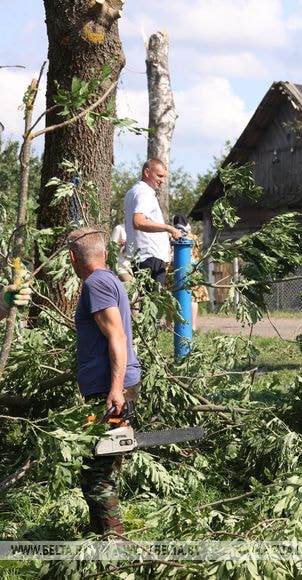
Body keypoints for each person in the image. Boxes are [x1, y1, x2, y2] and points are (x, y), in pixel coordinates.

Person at [68, 227, 141, 535]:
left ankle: (116, 546)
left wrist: (114, 388)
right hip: (112, 389)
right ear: (106, 253)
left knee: (96, 475)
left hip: (108, 393)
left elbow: (117, 336)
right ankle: (100, 539)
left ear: (73, 258)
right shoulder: (109, 279)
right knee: (98, 467)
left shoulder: (95, 284)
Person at [123, 159, 183, 288]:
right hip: (150, 257)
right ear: (147, 172)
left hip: (140, 257)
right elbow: (138, 222)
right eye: (159, 176)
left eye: (164, 177)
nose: (163, 181)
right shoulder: (145, 193)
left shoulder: (132, 192)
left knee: (147, 303)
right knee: (153, 303)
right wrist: (169, 228)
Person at [171, 215, 209, 331]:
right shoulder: (193, 237)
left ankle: (169, 325)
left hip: (174, 269)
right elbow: (196, 253)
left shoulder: (171, 236)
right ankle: (193, 326)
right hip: (192, 269)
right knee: (193, 298)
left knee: (171, 297)